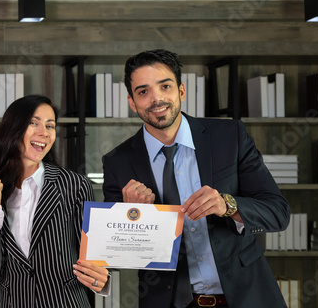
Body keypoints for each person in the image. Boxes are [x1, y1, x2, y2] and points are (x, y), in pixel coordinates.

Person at [102, 49, 290, 308]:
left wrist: (228, 206)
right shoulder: (117, 162)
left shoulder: (230, 137)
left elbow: (278, 213)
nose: (157, 99)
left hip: (247, 297)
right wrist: (134, 217)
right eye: (143, 91)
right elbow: (118, 258)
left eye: (165, 86)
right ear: (132, 102)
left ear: (181, 91)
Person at [0, 95, 109, 307]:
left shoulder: (74, 186)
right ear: (13, 128)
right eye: (33, 123)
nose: (44, 133)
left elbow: (95, 259)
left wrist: (102, 280)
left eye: (50, 126)